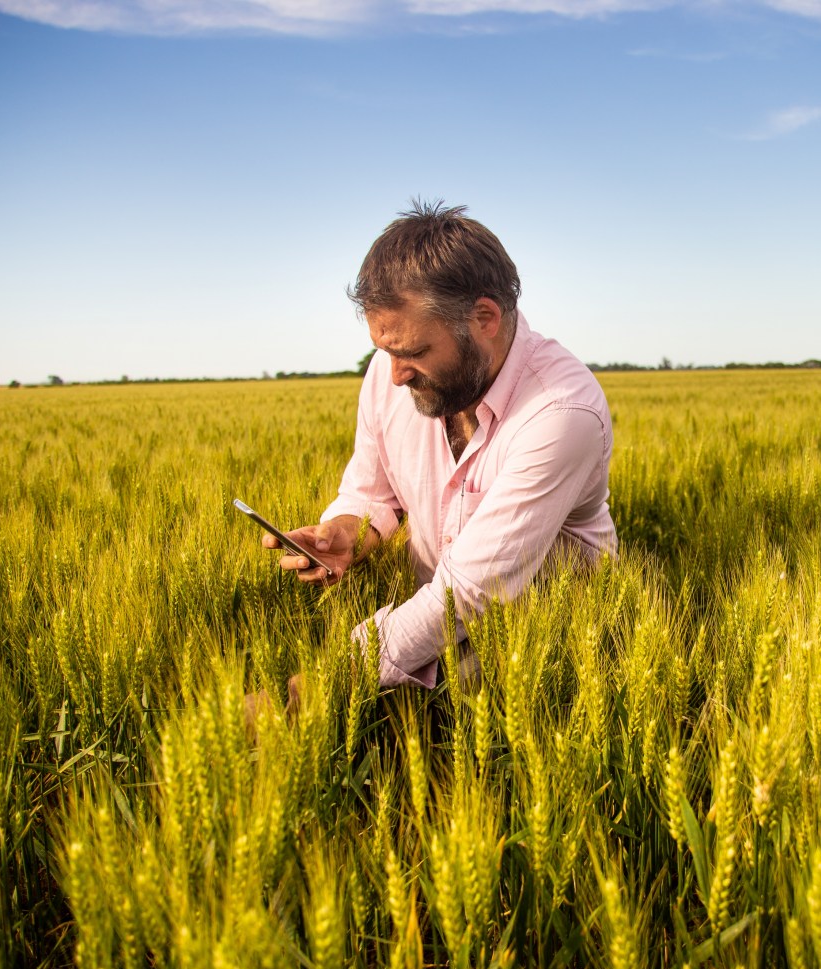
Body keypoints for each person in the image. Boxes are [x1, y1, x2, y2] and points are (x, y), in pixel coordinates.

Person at [262, 201, 618, 696]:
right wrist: (348, 533)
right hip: (434, 625)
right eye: (385, 351)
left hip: (550, 655)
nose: (394, 375)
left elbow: (468, 596)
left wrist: (316, 691)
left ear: (484, 318)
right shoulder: (392, 373)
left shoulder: (561, 414)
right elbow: (372, 493)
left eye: (414, 352)